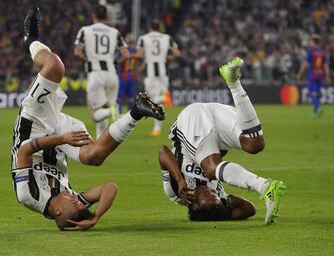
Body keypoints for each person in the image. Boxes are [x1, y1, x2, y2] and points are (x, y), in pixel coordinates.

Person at [12, 7, 165, 231]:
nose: (76, 199)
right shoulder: (71, 200)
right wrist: (95, 217)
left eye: (73, 204)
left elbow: (25, 150)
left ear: (56, 211)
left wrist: (62, 138)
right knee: (94, 157)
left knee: (55, 67)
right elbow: (109, 188)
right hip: (60, 138)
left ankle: (31, 40)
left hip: (33, 126)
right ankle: (136, 112)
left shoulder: (28, 196)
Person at [158, 57, 286, 225]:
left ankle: (264, 186)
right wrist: (221, 211)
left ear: (195, 206)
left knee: (211, 168)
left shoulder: (176, 192)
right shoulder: (219, 196)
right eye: (216, 197)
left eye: (208, 197)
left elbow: (162, 152)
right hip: (216, 123)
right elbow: (249, 209)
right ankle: (233, 82)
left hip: (191, 120)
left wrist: (180, 180)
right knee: (255, 144)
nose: (213, 193)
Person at [74, 4, 129, 139]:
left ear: (93, 15)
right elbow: (126, 55)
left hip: (96, 74)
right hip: (112, 74)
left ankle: (112, 110)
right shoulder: (114, 32)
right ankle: (100, 141)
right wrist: (117, 62)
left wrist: (86, 58)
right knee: (103, 109)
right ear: (107, 17)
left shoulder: (85, 30)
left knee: (95, 114)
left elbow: (77, 51)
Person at [137, 19, 181, 136]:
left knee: (153, 99)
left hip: (150, 72)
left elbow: (140, 54)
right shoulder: (167, 38)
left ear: (150, 27)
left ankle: (165, 99)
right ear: (159, 27)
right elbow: (177, 53)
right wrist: (168, 58)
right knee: (157, 99)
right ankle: (157, 129)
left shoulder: (144, 38)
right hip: (163, 71)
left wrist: (136, 57)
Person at [296, 34, 331, 118]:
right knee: (318, 93)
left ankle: (317, 108)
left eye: (310, 41)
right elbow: (325, 66)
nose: (309, 42)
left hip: (312, 74)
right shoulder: (322, 52)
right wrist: (327, 76)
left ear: (313, 42)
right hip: (320, 74)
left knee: (311, 92)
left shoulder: (311, 51)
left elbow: (305, 63)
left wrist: (299, 73)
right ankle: (315, 111)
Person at [117, 34, 139, 114]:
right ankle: (129, 115)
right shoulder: (135, 50)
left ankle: (119, 114)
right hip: (132, 76)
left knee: (119, 97)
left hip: (123, 76)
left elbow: (118, 62)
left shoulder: (122, 50)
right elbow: (140, 57)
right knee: (130, 98)